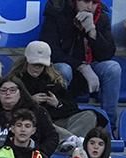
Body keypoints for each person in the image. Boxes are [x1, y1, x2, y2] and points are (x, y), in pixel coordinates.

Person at [39, 0, 120, 133]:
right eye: (86, 1)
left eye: (94, 2)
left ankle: (109, 127)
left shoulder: (102, 17)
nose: (90, 7)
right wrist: (81, 66)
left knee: (113, 68)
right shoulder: (57, 13)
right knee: (63, 69)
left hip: (91, 71)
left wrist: (92, 31)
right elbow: (51, 51)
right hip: (67, 69)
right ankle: (58, 119)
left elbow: (107, 54)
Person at [9, 42, 98, 140]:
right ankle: (72, 141)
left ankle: (69, 142)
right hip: (33, 122)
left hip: (59, 120)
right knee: (43, 122)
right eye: (34, 64)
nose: (37, 68)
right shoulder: (15, 81)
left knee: (89, 116)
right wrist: (30, 101)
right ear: (26, 62)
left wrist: (58, 104)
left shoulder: (53, 80)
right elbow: (8, 107)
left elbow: (72, 107)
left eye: (41, 65)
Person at [0, 77, 60, 158]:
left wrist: (39, 155)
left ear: (20, 92)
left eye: (12, 90)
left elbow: (52, 137)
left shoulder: (36, 111)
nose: (8, 93)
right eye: (3, 90)